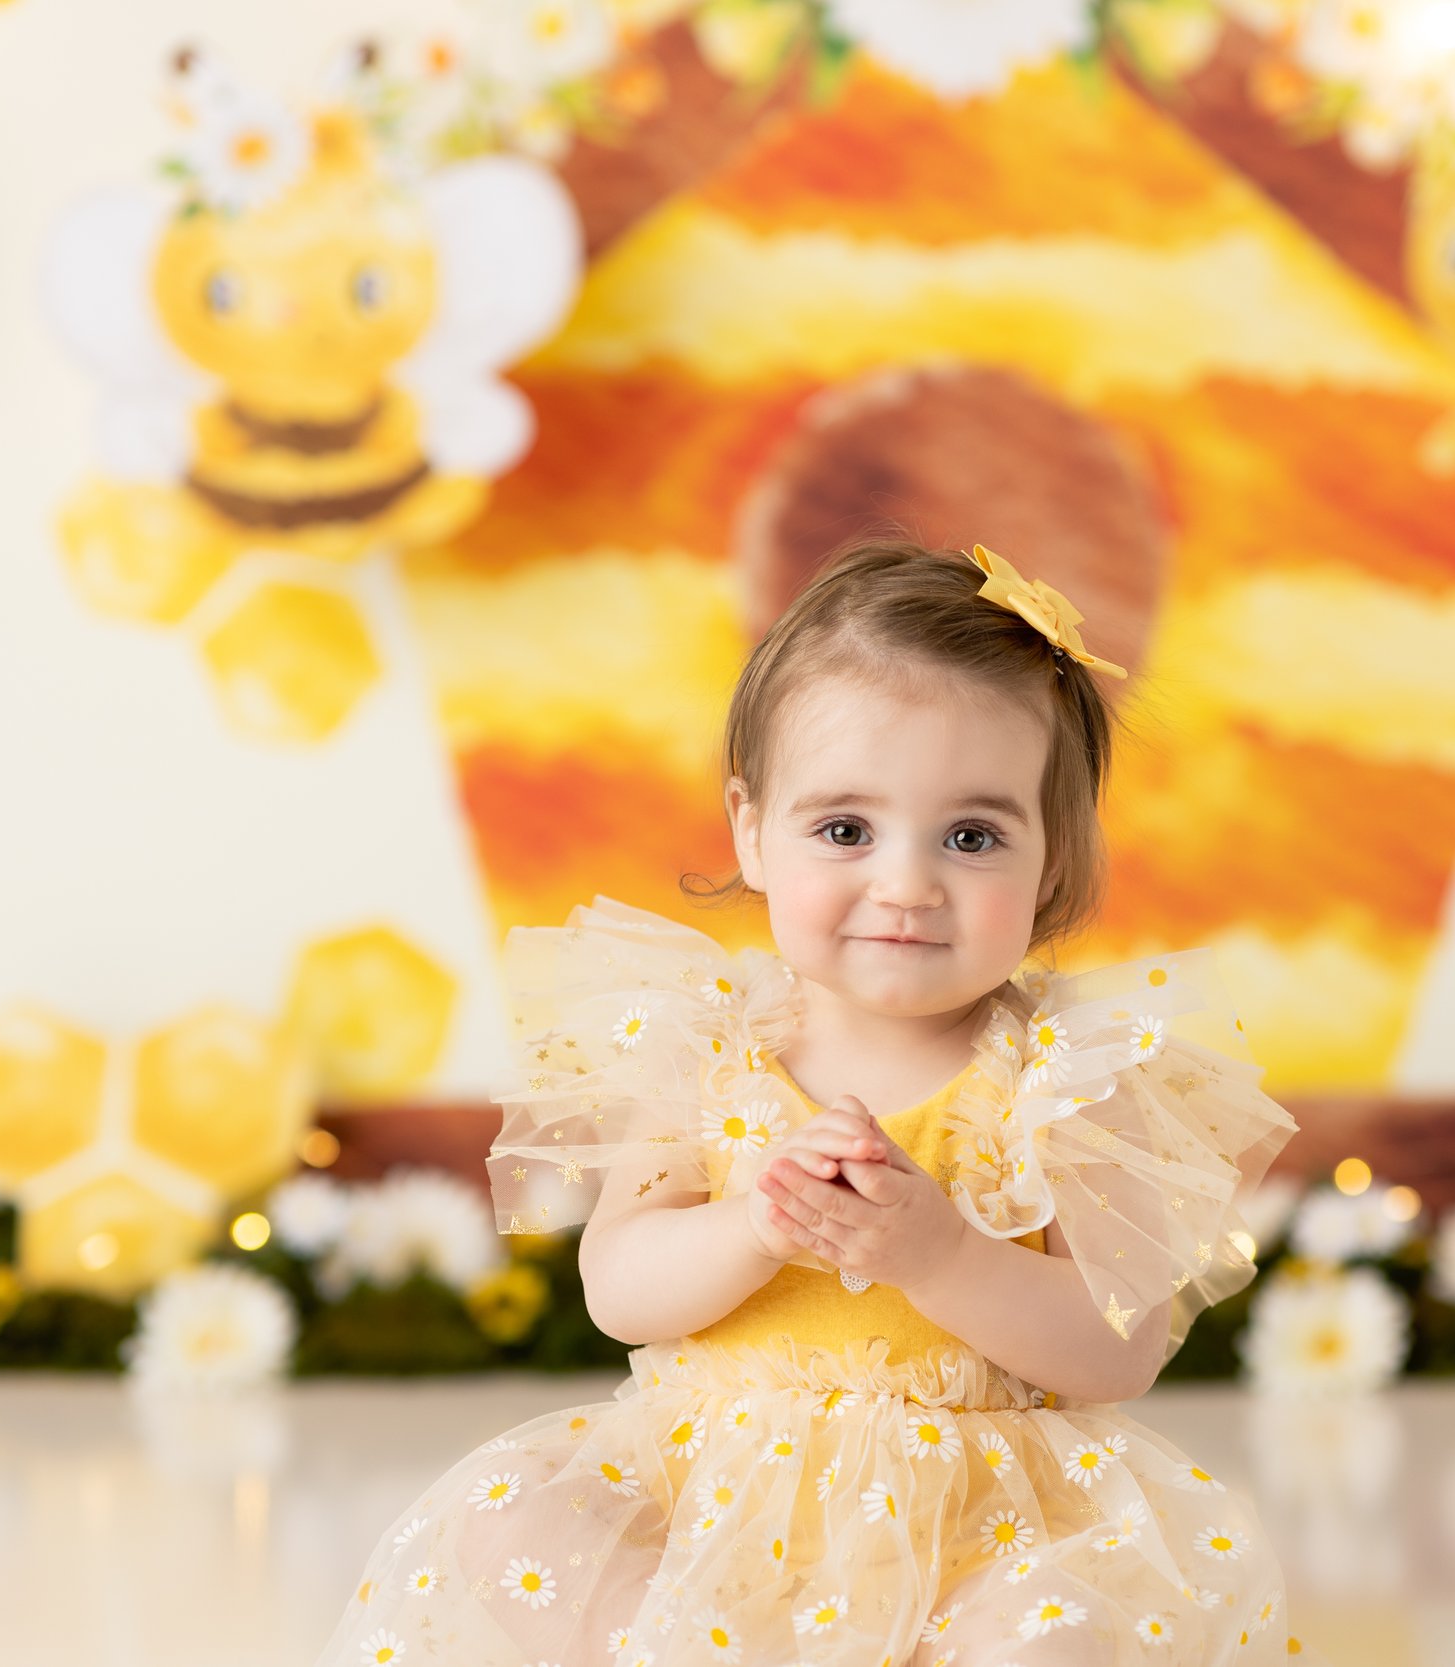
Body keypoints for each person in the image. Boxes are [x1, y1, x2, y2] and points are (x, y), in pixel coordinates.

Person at [313, 539, 1306, 1667]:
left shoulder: (1065, 1073)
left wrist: (936, 1253)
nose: (905, 882)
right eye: (845, 829)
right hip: (709, 1500)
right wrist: (756, 1222)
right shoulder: (708, 1047)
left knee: (1061, 1636)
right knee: (513, 1515)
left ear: (1053, 859)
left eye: (971, 836)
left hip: (975, 1527)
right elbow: (621, 1290)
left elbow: (1115, 1347)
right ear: (750, 827)